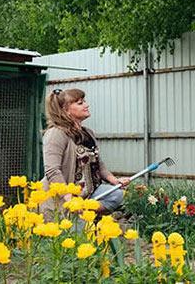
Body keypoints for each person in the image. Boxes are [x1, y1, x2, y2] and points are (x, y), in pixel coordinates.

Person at [41, 88, 130, 217]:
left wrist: (114, 181)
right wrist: (68, 197)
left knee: (117, 195)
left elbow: (99, 163)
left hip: (90, 192)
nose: (86, 105)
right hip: (63, 197)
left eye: (84, 101)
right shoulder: (56, 134)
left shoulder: (88, 133)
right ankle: (79, 214)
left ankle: (85, 210)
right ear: (66, 110)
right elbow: (52, 170)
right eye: (80, 103)